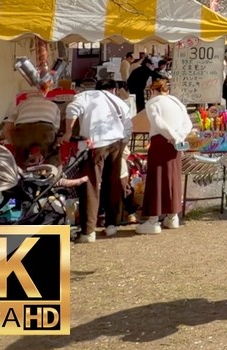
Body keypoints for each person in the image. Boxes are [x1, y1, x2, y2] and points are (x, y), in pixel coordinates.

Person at [63, 79, 134, 242]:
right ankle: (111, 225)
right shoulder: (118, 101)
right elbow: (128, 125)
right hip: (116, 142)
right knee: (112, 183)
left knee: (91, 185)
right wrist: (124, 143)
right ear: (113, 90)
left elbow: (72, 109)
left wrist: (68, 132)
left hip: (95, 144)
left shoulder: (86, 96)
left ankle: (88, 231)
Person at [137, 79, 192, 235]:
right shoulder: (177, 102)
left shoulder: (153, 103)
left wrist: (172, 136)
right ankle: (172, 216)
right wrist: (179, 136)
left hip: (161, 141)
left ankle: (153, 220)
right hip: (176, 142)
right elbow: (187, 123)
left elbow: (158, 123)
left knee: (157, 177)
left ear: (153, 90)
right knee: (173, 177)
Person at [2, 78, 61, 168]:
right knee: (52, 154)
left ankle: (20, 173)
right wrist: (47, 147)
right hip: (45, 129)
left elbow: (6, 130)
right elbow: (56, 130)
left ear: (27, 96)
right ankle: (53, 174)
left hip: (22, 130)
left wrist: (16, 146)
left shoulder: (21, 105)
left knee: (20, 158)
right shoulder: (53, 105)